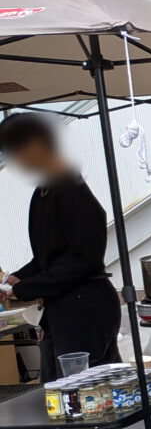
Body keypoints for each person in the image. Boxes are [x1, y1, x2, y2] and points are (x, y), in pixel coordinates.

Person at [0, 113, 120, 380]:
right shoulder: (45, 190)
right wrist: (16, 279)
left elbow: (83, 257)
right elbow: (47, 256)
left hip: (85, 308)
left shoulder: (70, 188)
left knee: (85, 394)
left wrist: (25, 288)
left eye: (15, 152)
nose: (15, 161)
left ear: (35, 144)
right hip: (62, 308)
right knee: (58, 391)